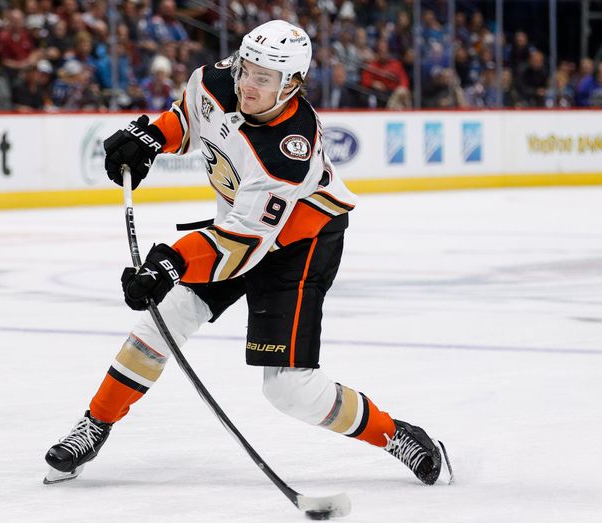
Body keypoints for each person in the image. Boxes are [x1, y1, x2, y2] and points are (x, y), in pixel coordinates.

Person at [44, 20, 450, 487]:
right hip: (241, 227)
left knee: (289, 390)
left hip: (299, 245)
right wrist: (153, 139)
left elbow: (238, 249)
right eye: (245, 69)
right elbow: (190, 119)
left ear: (292, 85)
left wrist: (171, 263)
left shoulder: (287, 151)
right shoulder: (216, 80)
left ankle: (395, 434)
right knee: (161, 320)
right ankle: (96, 422)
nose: (246, 84)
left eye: (263, 78)